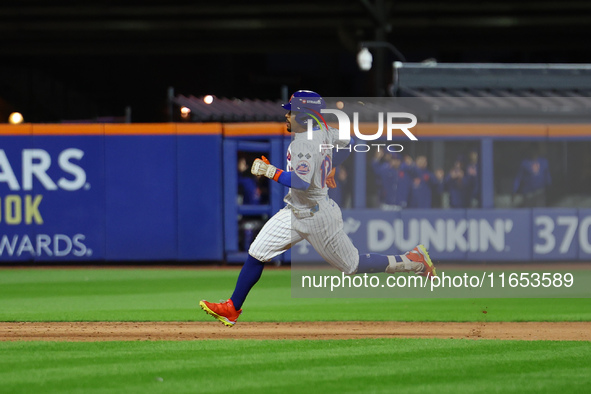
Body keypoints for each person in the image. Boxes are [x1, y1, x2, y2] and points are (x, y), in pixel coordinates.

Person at [200, 90, 437, 326]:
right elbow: (352, 142)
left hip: (318, 216)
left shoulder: (303, 143)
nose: (287, 116)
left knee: (352, 265)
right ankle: (232, 308)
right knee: (257, 253)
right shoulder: (324, 132)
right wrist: (331, 166)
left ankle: (412, 261)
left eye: (291, 112)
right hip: (294, 212)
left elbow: (301, 182)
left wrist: (269, 171)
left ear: (303, 117)